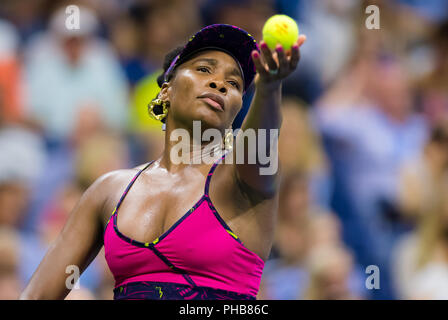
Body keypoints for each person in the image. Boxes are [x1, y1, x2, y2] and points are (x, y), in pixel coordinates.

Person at [20, 24, 306, 300]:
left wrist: (269, 86)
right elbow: (37, 295)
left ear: (236, 109)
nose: (219, 83)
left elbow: (260, 146)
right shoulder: (108, 191)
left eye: (233, 83)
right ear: (166, 90)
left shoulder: (243, 180)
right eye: (204, 69)